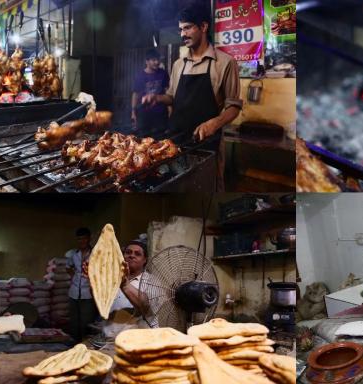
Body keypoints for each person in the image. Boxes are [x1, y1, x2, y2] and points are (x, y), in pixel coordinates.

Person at [141, 3, 243, 191]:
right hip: (175, 141)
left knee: (204, 187)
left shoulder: (225, 63)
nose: (182, 34)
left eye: (187, 27)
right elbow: (171, 96)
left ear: (203, 27)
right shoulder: (178, 64)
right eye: (180, 29)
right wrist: (157, 98)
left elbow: (234, 106)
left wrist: (214, 123)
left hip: (207, 146)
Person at [83, 237, 155, 335]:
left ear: (145, 260)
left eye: (137, 254)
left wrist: (125, 285)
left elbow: (147, 307)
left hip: (135, 340)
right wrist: (94, 282)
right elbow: (101, 303)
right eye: (128, 252)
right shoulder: (111, 278)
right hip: (109, 337)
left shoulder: (151, 281)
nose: (131, 256)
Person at [65, 227, 97, 340]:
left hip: (88, 293)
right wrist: (74, 276)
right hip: (74, 293)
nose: (82, 241)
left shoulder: (96, 254)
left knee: (86, 322)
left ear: (89, 239)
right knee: (74, 322)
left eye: (84, 238)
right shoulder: (74, 254)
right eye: (79, 239)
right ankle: (74, 346)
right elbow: (68, 267)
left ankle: (85, 346)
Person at [131, 49, 170, 135]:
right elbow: (135, 94)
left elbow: (168, 92)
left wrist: (170, 111)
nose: (157, 62)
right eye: (153, 60)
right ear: (147, 61)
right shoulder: (140, 76)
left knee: (161, 139)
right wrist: (133, 112)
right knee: (143, 139)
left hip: (161, 114)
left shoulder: (163, 74)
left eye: (158, 60)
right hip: (144, 114)